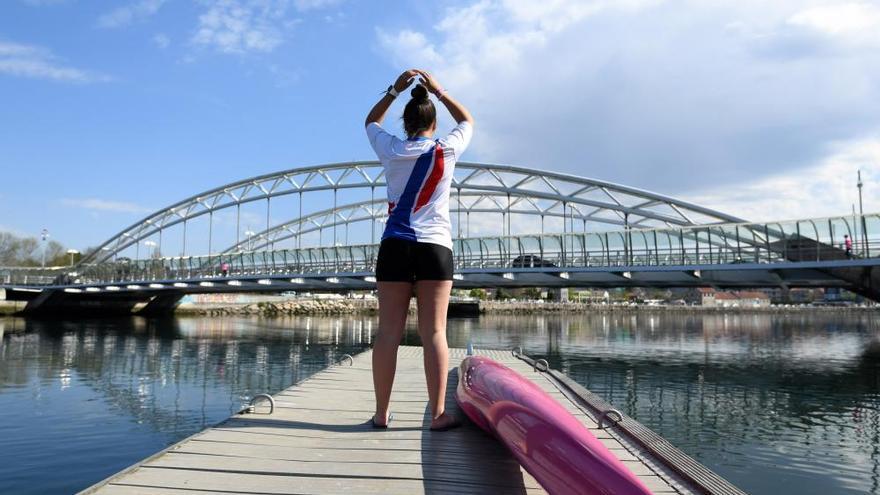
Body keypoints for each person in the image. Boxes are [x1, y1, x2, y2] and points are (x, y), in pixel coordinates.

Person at [364, 69, 474, 431]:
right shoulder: (449, 148)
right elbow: (467, 119)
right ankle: (439, 414)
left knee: (388, 334)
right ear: (433, 121)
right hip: (435, 247)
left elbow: (371, 120)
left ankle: (381, 414)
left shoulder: (391, 149)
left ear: (406, 122)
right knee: (435, 334)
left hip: (395, 245)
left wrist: (395, 89)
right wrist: (439, 90)